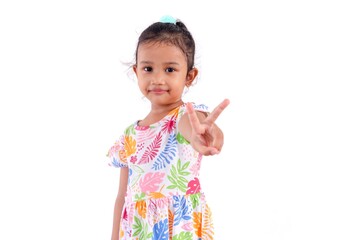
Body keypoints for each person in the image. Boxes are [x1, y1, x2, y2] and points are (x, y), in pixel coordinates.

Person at [106, 15, 230, 240]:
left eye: (170, 70)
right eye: (148, 68)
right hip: (138, 231)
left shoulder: (184, 117)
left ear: (189, 76)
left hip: (179, 229)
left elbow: (197, 129)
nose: (158, 79)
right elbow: (122, 197)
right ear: (136, 72)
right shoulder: (128, 136)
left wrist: (205, 135)